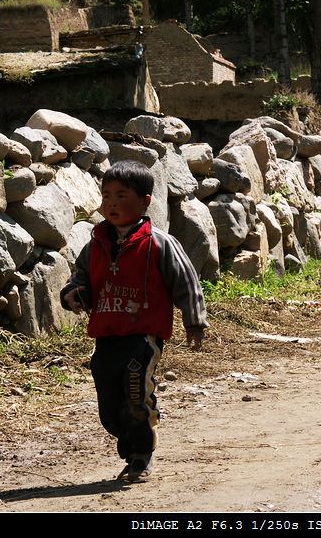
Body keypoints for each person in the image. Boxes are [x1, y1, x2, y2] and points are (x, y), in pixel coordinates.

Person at [60, 160, 209, 483]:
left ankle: (141, 453)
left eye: (122, 195)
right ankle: (129, 441)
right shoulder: (96, 243)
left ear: (145, 201)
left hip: (143, 336)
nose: (111, 202)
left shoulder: (160, 243)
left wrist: (194, 321)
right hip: (106, 334)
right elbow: (79, 276)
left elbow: (186, 282)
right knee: (110, 407)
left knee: (135, 392)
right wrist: (73, 292)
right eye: (106, 195)